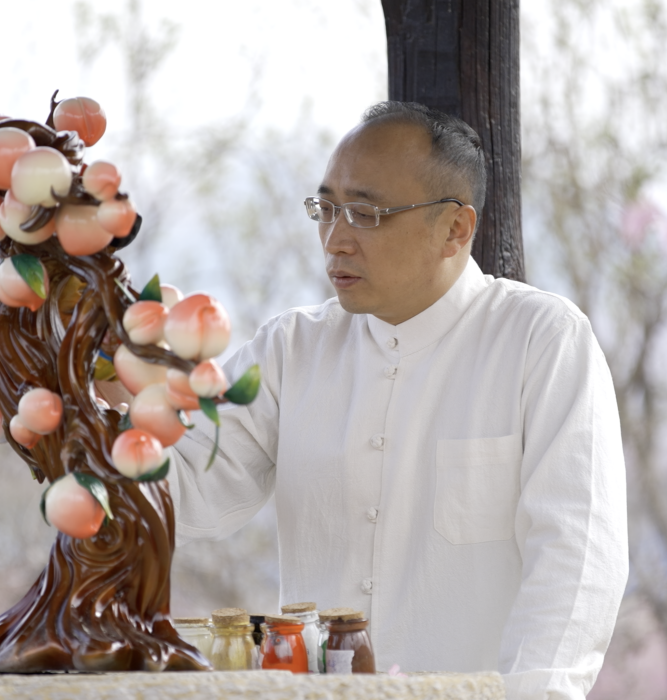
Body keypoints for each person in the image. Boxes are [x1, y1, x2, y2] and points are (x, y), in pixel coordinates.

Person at [165, 101, 628, 699]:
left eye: (365, 213)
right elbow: (187, 493)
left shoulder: (540, 342)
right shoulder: (290, 350)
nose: (335, 239)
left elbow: (578, 559)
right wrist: (79, 406)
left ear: (455, 229)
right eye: (326, 209)